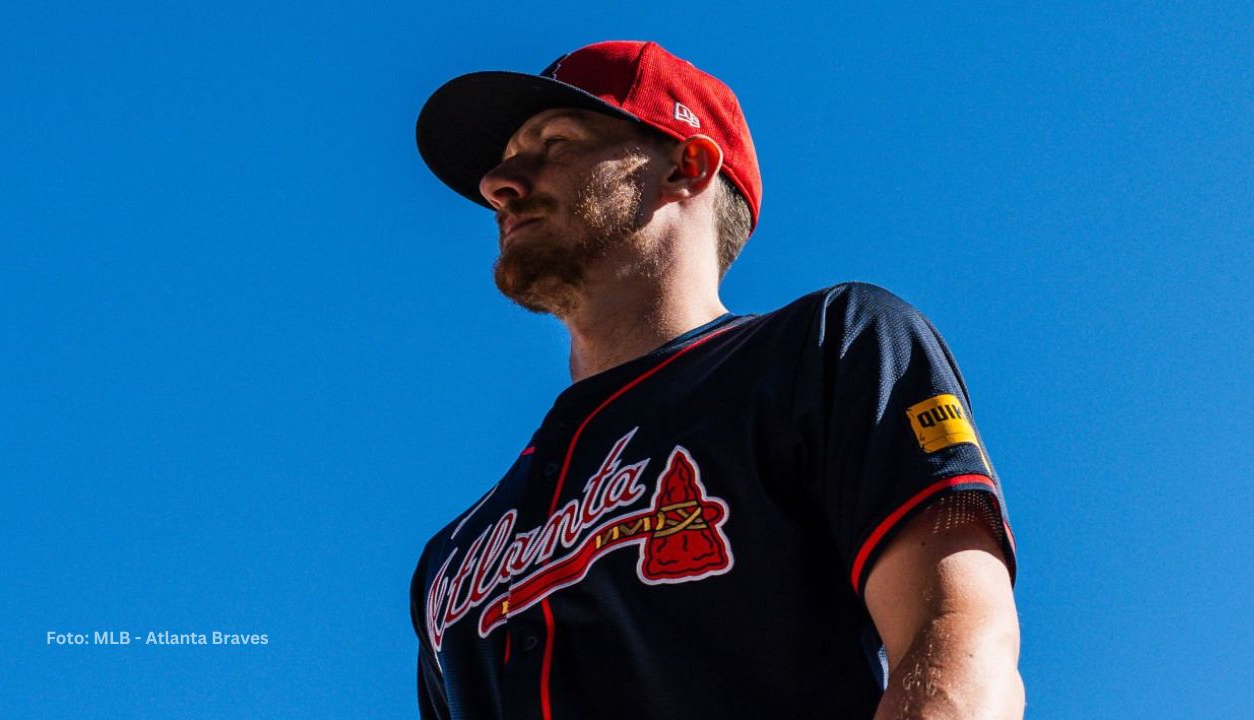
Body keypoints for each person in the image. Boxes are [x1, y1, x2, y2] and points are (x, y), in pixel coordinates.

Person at [410, 40, 1022, 720]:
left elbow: (960, 641)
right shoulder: (454, 558)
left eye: (556, 143)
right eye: (505, 159)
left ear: (687, 164)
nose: (502, 180)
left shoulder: (826, 347)